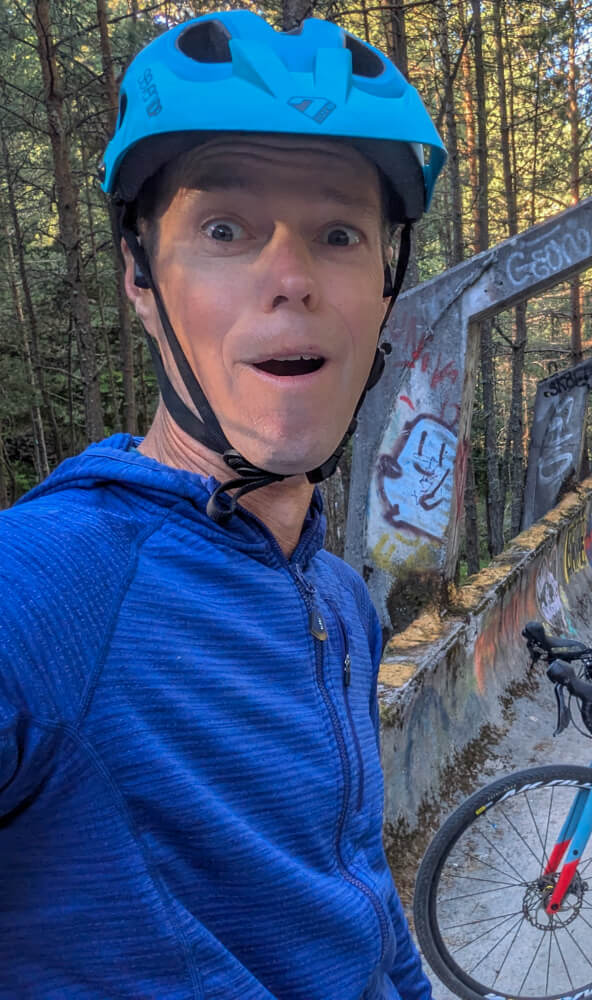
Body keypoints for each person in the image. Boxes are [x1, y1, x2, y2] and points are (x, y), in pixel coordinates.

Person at [0, 11, 446, 999]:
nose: (289, 280)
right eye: (225, 230)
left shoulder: (340, 599)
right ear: (141, 278)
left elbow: (359, 889)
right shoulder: (48, 586)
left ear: (384, 284)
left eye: (337, 233)